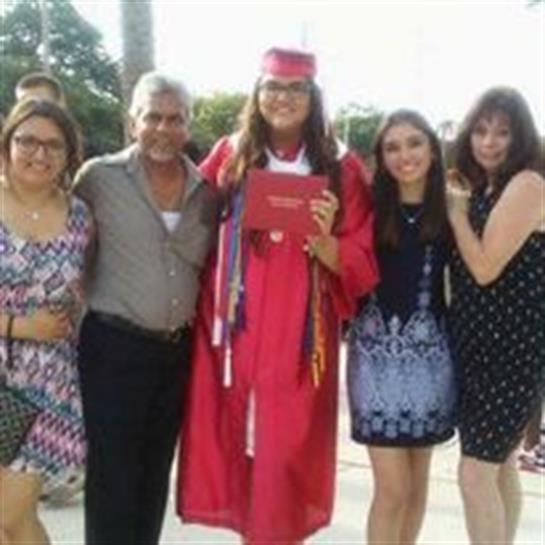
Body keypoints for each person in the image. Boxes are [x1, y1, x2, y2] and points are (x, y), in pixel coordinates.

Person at [177, 47, 379, 544]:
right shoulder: (231, 153)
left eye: (296, 89)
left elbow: (362, 257)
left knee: (283, 454)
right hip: (233, 334)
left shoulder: (340, 167)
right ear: (257, 92)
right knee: (234, 448)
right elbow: (188, 221)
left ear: (313, 97)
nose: (283, 98)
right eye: (273, 86)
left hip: (298, 339)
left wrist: (328, 242)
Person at [74, 72, 217, 545]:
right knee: (113, 479)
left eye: (175, 119)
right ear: (132, 120)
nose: (164, 128)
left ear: (188, 126)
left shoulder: (207, 192)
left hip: (176, 355)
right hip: (112, 348)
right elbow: (64, 244)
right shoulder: (98, 178)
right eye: (152, 116)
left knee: (154, 478)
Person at [347, 110, 456, 545]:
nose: (404, 155)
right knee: (392, 490)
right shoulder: (367, 208)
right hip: (376, 360)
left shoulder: (452, 208)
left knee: (416, 484)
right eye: (392, 147)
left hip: (432, 361)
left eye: (414, 143)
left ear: (432, 149)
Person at [447, 87, 545, 545]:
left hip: (511, 353)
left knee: (474, 475)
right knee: (499, 465)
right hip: (476, 348)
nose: (489, 141)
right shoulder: (487, 186)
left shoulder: (528, 184)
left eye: (502, 132)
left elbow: (484, 268)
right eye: (482, 130)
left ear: (521, 137)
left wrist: (456, 214)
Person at [0, 99, 91, 544]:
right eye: (28, 141)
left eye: (54, 145)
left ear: (69, 154)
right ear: (7, 145)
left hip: (46, 386)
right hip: (7, 357)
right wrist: (20, 326)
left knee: (11, 515)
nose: (40, 153)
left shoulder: (79, 216)